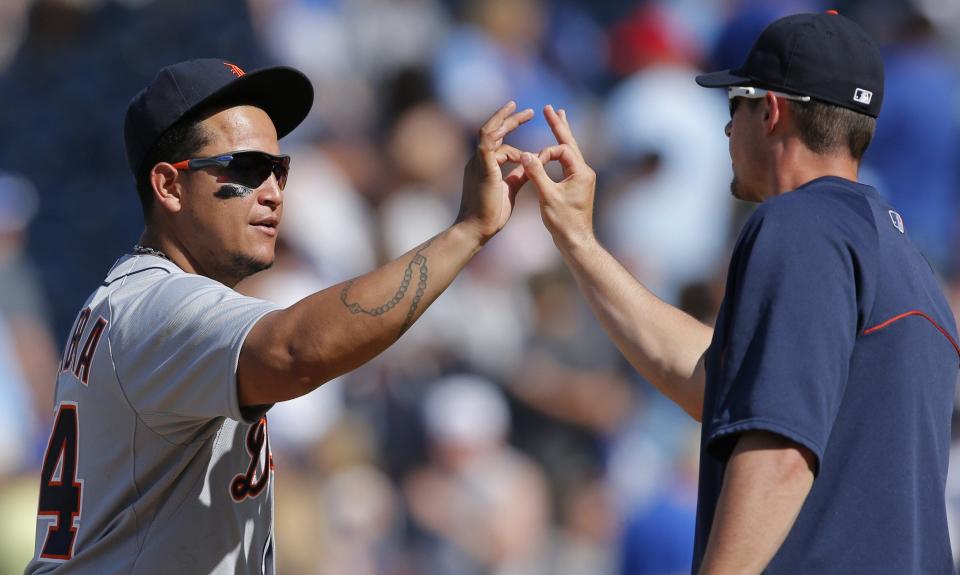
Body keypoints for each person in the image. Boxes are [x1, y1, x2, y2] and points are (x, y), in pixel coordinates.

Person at [25, 58, 532, 574]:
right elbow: (296, 352)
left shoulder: (134, 299)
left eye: (279, 169)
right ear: (169, 186)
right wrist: (467, 230)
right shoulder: (157, 304)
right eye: (245, 168)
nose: (272, 191)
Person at [519, 12, 959, 574]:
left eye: (735, 105)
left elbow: (780, 452)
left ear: (770, 110)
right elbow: (718, 385)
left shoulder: (800, 225)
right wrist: (579, 242)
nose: (727, 129)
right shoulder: (911, 265)